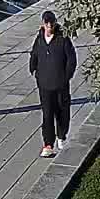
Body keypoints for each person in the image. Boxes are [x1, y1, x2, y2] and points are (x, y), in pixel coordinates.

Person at [28, 10, 77, 157]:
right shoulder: (39, 39)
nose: (49, 26)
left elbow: (71, 59)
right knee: (47, 114)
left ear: (55, 23)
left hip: (60, 84)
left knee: (62, 111)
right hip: (44, 84)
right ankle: (48, 144)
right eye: (47, 23)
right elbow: (34, 54)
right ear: (43, 24)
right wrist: (33, 69)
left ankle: (61, 135)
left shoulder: (63, 39)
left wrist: (66, 77)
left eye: (51, 23)